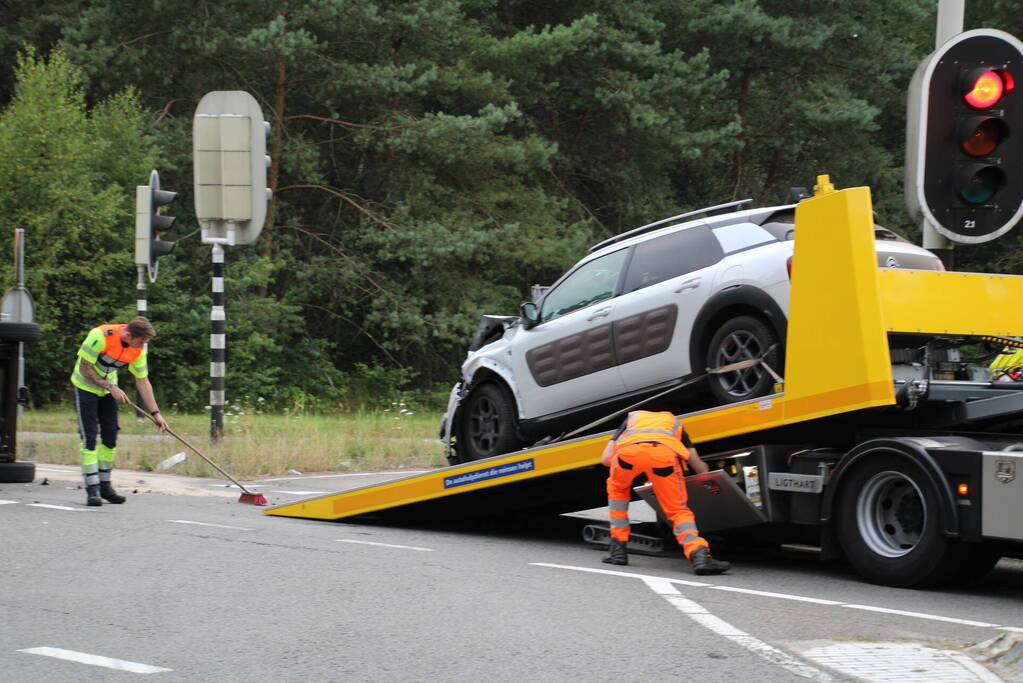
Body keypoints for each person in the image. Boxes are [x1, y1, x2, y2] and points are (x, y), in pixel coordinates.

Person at [600, 410, 730, 575]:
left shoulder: (631, 420)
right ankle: (699, 555)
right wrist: (705, 468)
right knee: (677, 509)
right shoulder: (674, 424)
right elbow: (697, 465)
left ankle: (617, 551)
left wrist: (628, 465)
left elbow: (605, 459)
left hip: (627, 455)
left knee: (617, 493)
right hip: (662, 457)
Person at [70, 316, 168, 506]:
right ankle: (92, 490)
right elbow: (85, 369)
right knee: (89, 438)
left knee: (110, 437)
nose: (141, 346)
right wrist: (110, 387)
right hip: (85, 389)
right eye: (140, 341)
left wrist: (156, 413)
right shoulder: (99, 336)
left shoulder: (138, 349)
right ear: (128, 334)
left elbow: (142, 381)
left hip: (108, 390)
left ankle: (105, 486)